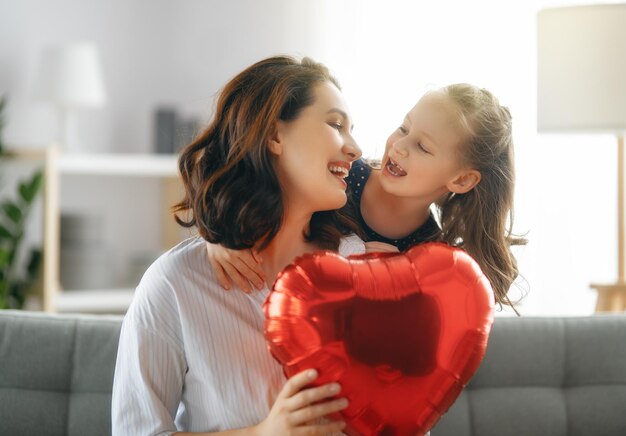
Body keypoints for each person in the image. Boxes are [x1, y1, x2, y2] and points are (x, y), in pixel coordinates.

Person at [111, 55, 365, 435]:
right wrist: (263, 433)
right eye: (335, 125)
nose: (355, 148)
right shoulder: (177, 282)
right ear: (274, 135)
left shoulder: (358, 261)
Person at [206, 83, 526, 312]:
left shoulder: (427, 255)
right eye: (404, 128)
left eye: (423, 147)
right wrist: (217, 236)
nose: (399, 146)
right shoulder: (339, 178)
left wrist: (396, 283)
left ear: (461, 179)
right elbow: (253, 185)